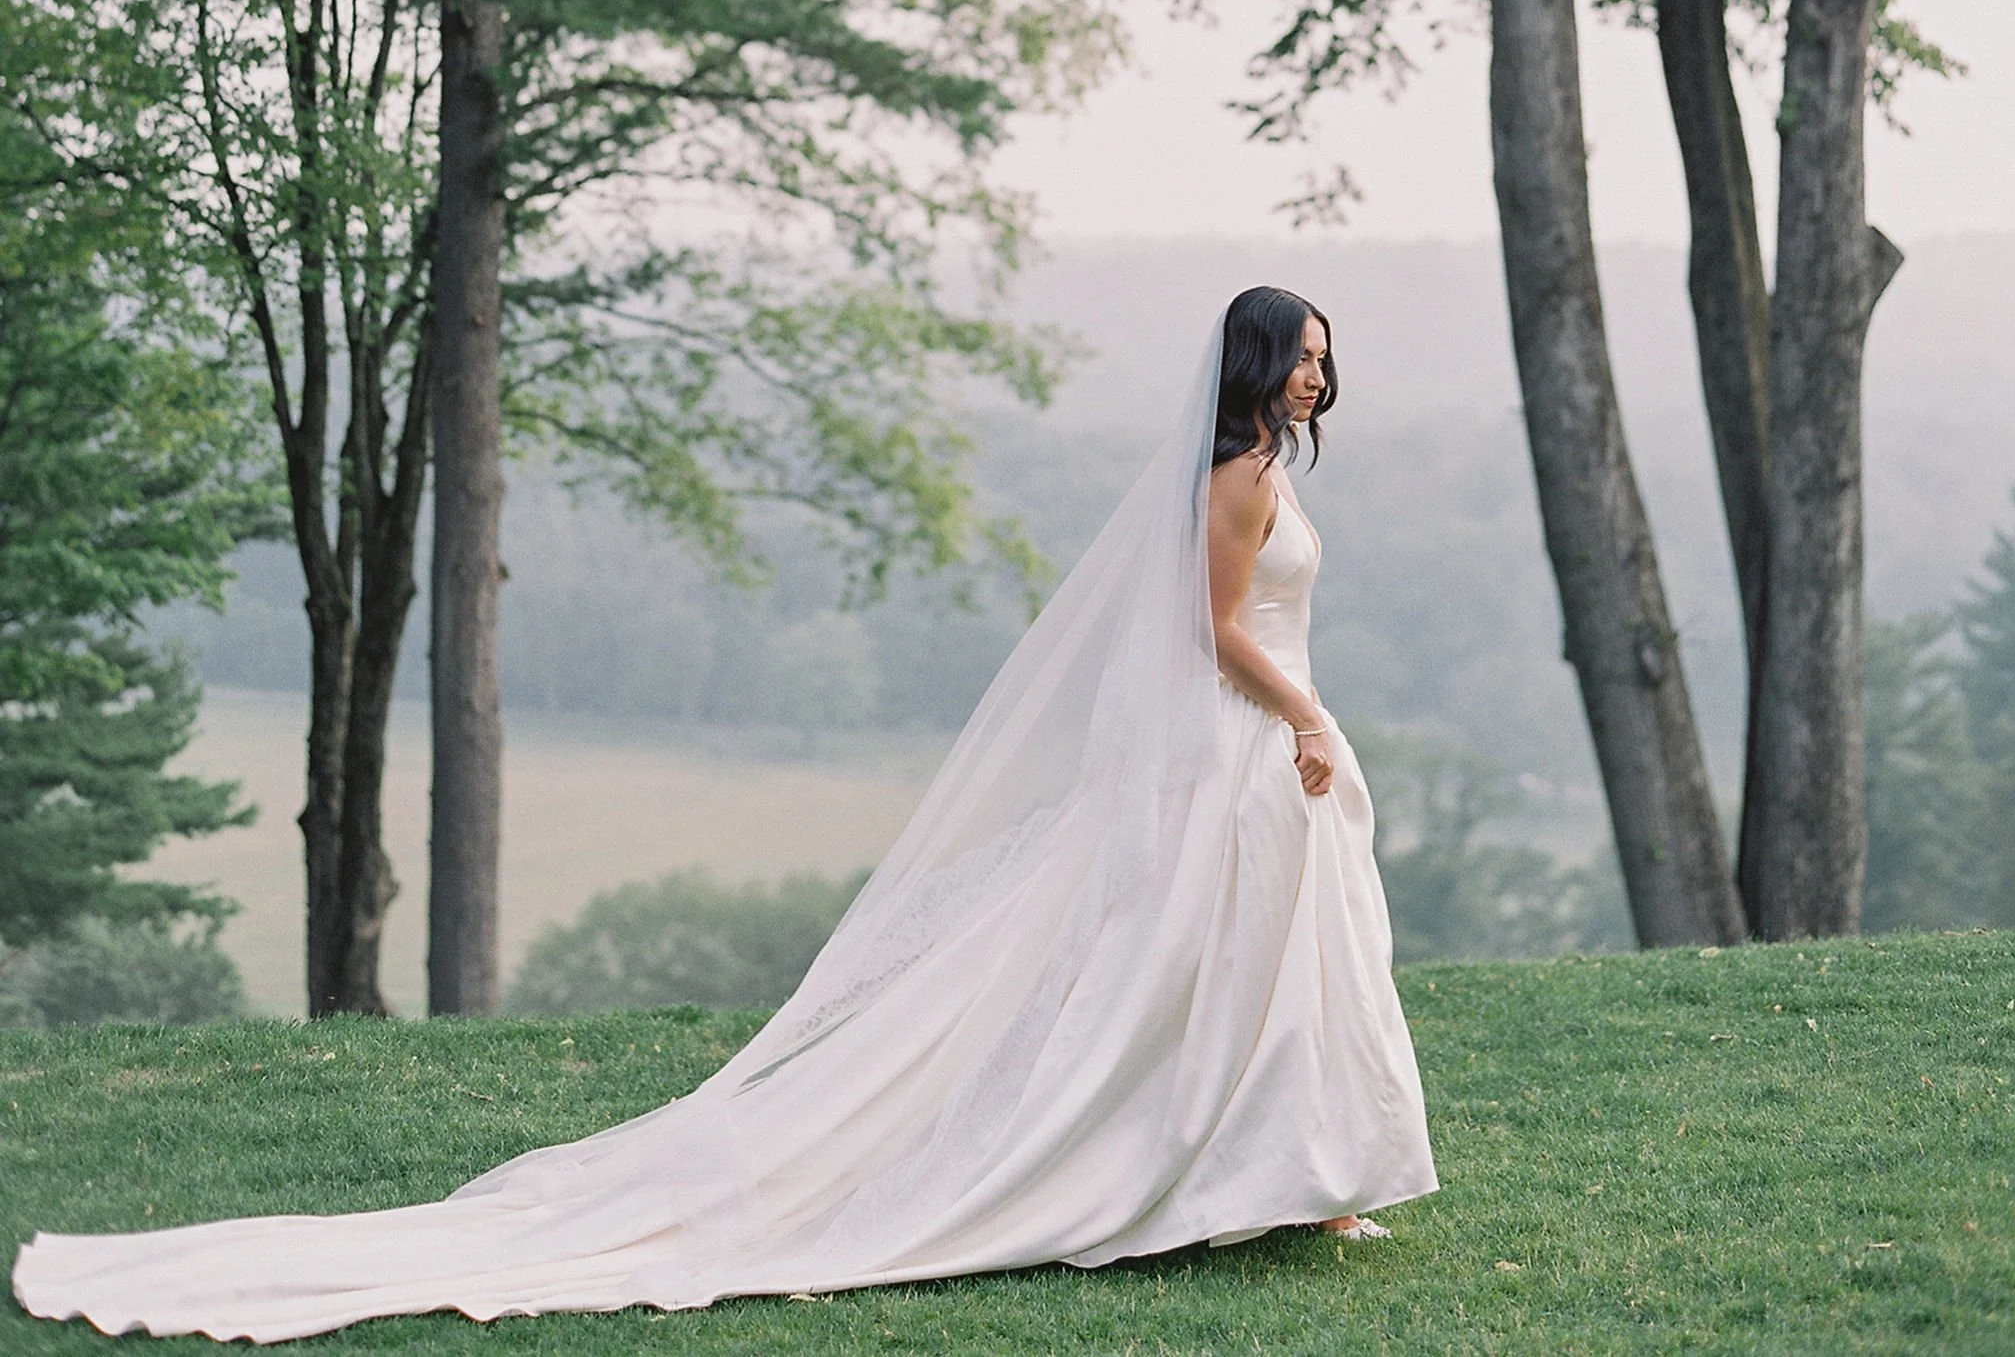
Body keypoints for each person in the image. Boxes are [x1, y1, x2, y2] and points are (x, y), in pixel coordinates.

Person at [16, 287, 1436, 1340]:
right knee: (1225, 964)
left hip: (1261, 757)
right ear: (1255, 363)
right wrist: (1307, 715)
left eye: (1324, 355)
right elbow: (1213, 626)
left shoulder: (1260, 472)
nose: (1318, 374)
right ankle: (1231, 1165)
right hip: (1250, 745)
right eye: (1300, 353)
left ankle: (1294, 1172)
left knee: (1286, 967)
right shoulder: (1240, 482)